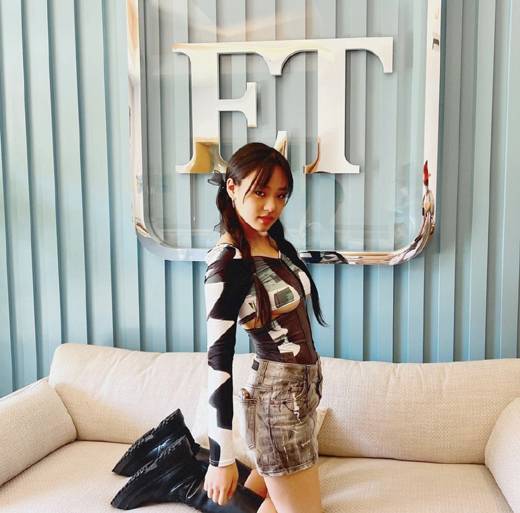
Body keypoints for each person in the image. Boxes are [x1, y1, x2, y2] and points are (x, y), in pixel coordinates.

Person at [204, 142, 327, 513]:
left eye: (281, 195)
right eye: (260, 192)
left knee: (270, 502)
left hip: (301, 393)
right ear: (232, 187)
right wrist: (220, 458)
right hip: (277, 402)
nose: (272, 205)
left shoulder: (273, 242)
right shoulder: (228, 261)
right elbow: (217, 360)